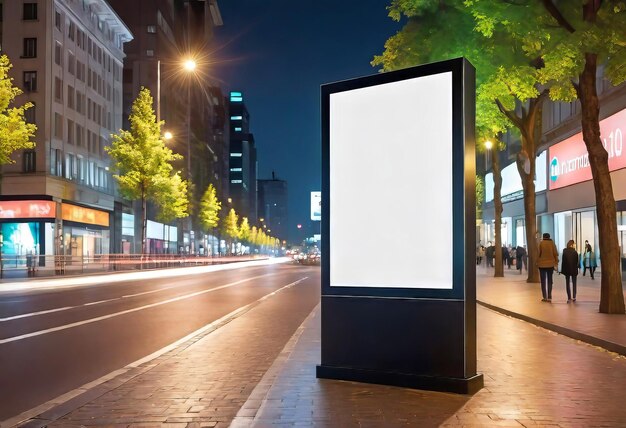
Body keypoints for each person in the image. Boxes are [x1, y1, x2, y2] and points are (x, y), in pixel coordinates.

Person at [537, 233, 559, 302]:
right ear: (549, 237)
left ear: (543, 237)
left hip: (542, 265)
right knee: (550, 280)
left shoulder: (541, 243)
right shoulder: (552, 243)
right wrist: (556, 262)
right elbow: (555, 253)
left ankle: (544, 297)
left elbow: (538, 254)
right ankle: (549, 296)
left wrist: (537, 262)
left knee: (543, 281)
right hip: (550, 265)